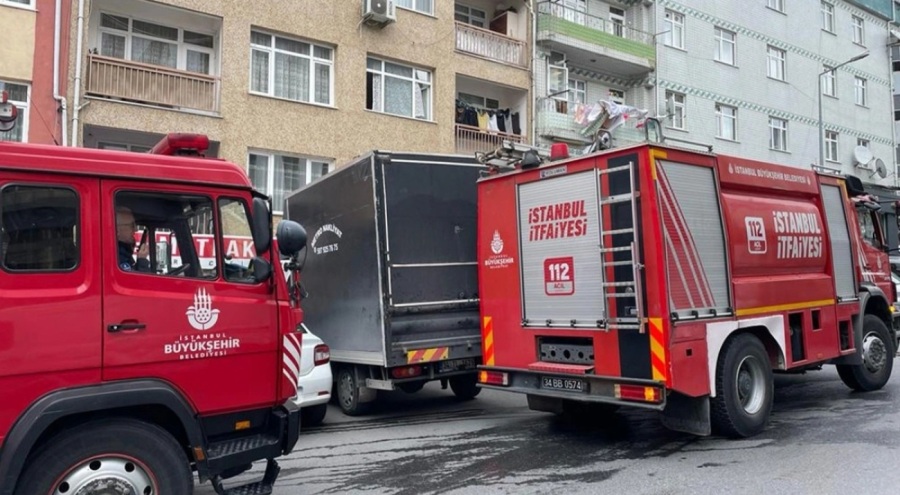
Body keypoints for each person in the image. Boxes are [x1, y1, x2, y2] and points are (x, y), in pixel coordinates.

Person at [116, 206, 151, 272]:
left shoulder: (123, 254)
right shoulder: (116, 257)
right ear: (117, 230)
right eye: (132, 225)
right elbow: (132, 278)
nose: (136, 229)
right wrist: (142, 261)